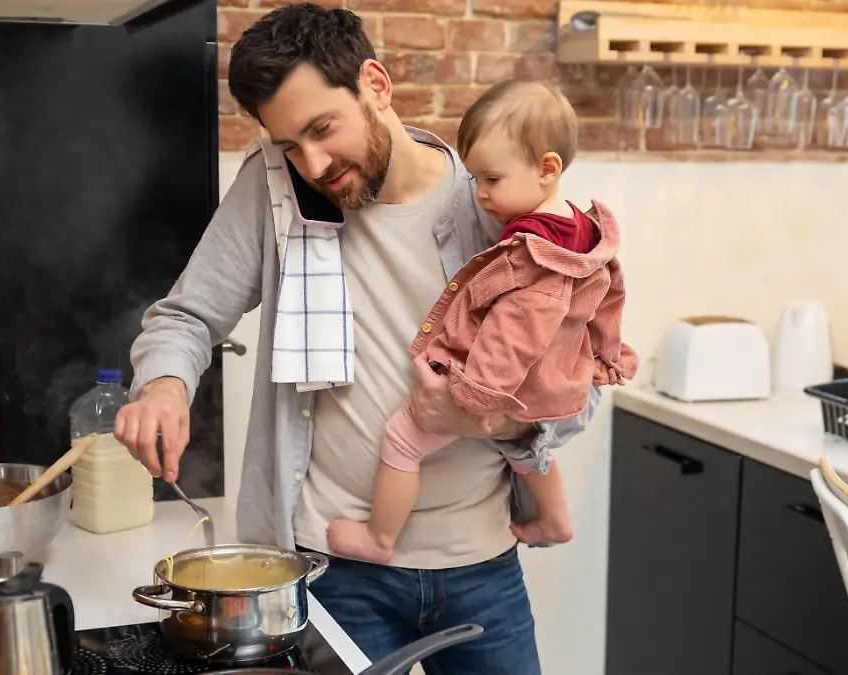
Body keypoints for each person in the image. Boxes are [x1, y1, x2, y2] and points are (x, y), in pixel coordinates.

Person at [111, 5, 599, 674]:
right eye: (289, 145)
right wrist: (164, 384)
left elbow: (576, 385)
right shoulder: (276, 187)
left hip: (481, 566)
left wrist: (491, 416)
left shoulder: (492, 203)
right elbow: (187, 316)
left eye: (321, 129)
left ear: (376, 85)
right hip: (336, 573)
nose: (311, 163)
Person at [327, 81, 638, 565]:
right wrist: (606, 353)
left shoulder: (532, 254)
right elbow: (610, 293)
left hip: (501, 385)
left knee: (403, 439)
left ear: (547, 168)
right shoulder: (583, 231)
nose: (482, 196)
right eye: (474, 180)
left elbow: (513, 332)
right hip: (547, 381)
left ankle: (379, 539)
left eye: (492, 179)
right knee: (524, 447)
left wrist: (476, 400)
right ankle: (555, 520)